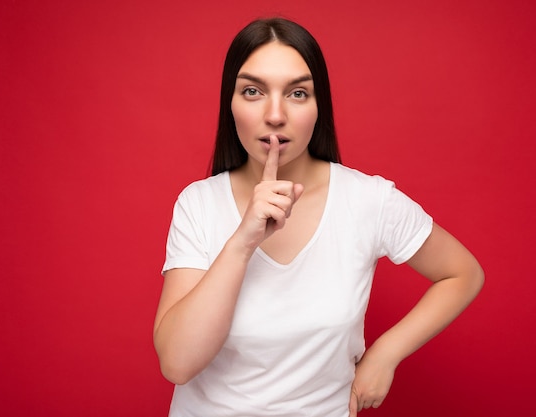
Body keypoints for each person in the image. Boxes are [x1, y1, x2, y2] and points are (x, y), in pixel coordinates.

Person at [153, 17, 484, 417]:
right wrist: (242, 242)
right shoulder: (199, 204)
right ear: (231, 102)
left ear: (318, 105)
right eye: (253, 91)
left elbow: (462, 273)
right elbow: (177, 363)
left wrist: (384, 355)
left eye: (296, 93)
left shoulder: (367, 199)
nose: (275, 115)